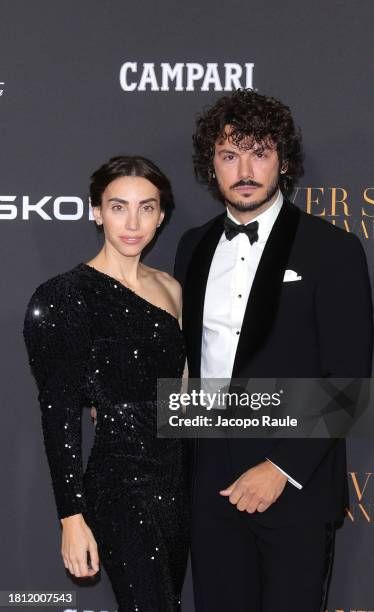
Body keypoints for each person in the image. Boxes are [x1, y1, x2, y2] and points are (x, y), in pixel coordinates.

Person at [174, 89, 374, 612]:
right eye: (229, 154)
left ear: (283, 162)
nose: (245, 168)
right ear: (211, 165)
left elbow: (348, 381)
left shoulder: (332, 248)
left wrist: (280, 468)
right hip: (209, 478)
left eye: (259, 152)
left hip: (295, 482)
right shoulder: (192, 247)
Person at [23, 156, 189, 612]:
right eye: (118, 207)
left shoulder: (172, 290)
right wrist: (72, 518)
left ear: (161, 215)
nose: (132, 222)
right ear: (96, 211)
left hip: (177, 485)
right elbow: (58, 417)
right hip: (119, 484)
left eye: (146, 207)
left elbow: (184, 393)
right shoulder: (63, 296)